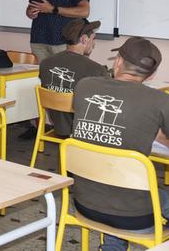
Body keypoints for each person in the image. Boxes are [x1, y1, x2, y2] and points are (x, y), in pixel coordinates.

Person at [70, 37, 168, 251]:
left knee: (120, 182)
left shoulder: (84, 86)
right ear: (151, 75)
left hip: (84, 202)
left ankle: (112, 246)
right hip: (134, 217)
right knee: (149, 192)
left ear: (117, 62)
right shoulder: (159, 101)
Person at [38, 18, 109, 136]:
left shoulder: (45, 63)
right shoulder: (96, 70)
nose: (94, 43)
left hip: (57, 126)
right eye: (93, 39)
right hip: (83, 131)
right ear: (84, 39)